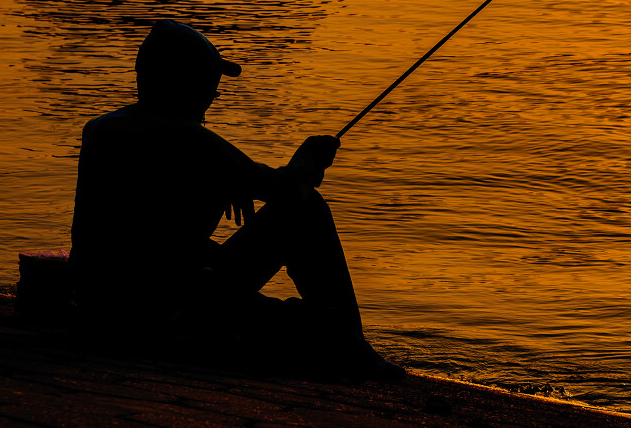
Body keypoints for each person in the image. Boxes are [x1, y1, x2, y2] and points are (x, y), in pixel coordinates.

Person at [69, 19, 403, 379]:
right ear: (184, 83)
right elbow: (288, 190)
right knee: (308, 210)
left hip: (100, 301)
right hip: (166, 308)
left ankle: (338, 337)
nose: (211, 96)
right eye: (208, 86)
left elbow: (151, 224)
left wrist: (220, 186)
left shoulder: (101, 129)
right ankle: (349, 341)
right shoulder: (188, 138)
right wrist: (307, 162)